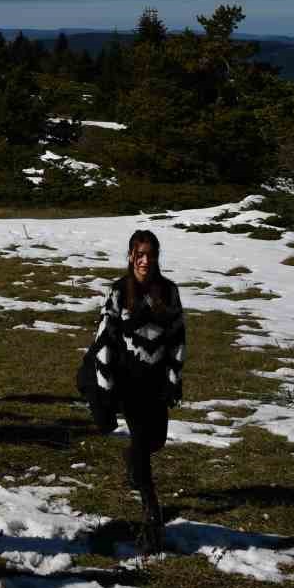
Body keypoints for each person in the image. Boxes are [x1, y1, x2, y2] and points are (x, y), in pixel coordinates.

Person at [84, 229, 186, 554]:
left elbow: (178, 336)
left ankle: (133, 462)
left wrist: (174, 377)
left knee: (156, 440)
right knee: (142, 442)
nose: (145, 260)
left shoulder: (168, 292)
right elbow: (103, 337)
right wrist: (104, 387)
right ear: (130, 256)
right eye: (139, 254)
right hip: (128, 381)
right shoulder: (118, 292)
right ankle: (151, 512)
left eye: (150, 255)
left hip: (155, 381)